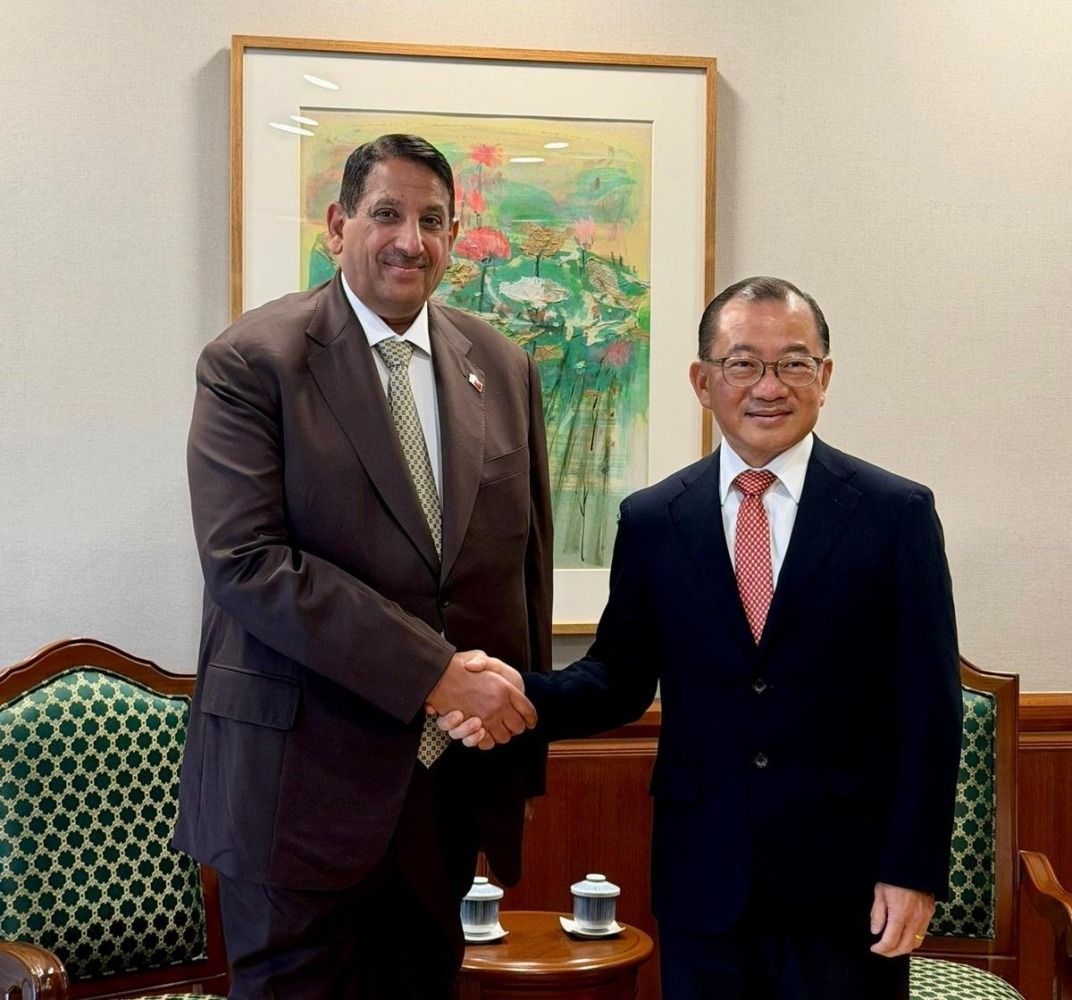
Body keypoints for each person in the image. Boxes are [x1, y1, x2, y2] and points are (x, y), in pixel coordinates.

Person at [446, 276, 962, 999]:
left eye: (794, 363)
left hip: (846, 884)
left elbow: (931, 710)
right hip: (705, 878)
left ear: (825, 377)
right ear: (702, 381)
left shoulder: (894, 513)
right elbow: (618, 679)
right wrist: (516, 693)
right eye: (743, 363)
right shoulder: (655, 519)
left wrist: (912, 871)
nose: (769, 386)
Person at [174, 134, 553, 999]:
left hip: (444, 796)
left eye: (433, 221)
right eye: (387, 214)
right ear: (338, 225)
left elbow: (521, 572)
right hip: (294, 797)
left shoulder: (502, 364)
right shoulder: (253, 361)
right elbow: (247, 563)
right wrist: (435, 673)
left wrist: (516, 761)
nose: (410, 241)